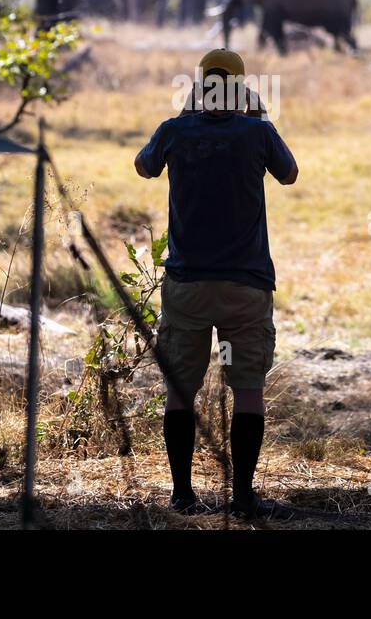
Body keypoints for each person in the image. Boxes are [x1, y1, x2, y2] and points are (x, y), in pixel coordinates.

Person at [134, 49, 298, 518]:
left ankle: (182, 494)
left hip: (186, 283)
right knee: (247, 390)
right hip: (246, 284)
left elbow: (144, 167)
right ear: (241, 87)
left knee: (180, 390)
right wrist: (258, 115)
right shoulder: (258, 131)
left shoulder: (174, 130)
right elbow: (289, 175)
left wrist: (186, 115)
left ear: (201, 85)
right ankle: (244, 496)